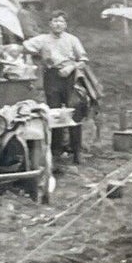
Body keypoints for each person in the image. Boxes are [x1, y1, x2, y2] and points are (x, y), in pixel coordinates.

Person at [24, 12, 89, 160]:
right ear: (50, 24)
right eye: (55, 21)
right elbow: (25, 47)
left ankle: (76, 151)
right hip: (52, 77)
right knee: (54, 112)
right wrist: (36, 57)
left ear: (65, 25)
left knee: (74, 111)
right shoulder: (42, 39)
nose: (57, 24)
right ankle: (56, 152)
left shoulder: (72, 40)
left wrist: (71, 67)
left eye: (60, 21)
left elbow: (83, 60)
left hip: (70, 77)